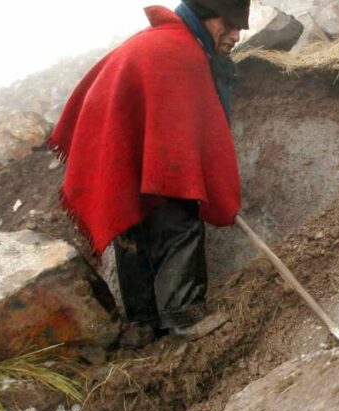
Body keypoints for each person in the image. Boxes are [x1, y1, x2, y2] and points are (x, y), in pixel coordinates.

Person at [49, 0, 250, 343]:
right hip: (125, 155)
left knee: (135, 223)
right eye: (230, 23)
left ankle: (143, 323)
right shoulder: (181, 52)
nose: (237, 33)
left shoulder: (164, 39)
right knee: (178, 215)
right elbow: (181, 157)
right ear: (206, 16)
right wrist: (211, 189)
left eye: (240, 26)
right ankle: (183, 313)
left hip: (114, 158)